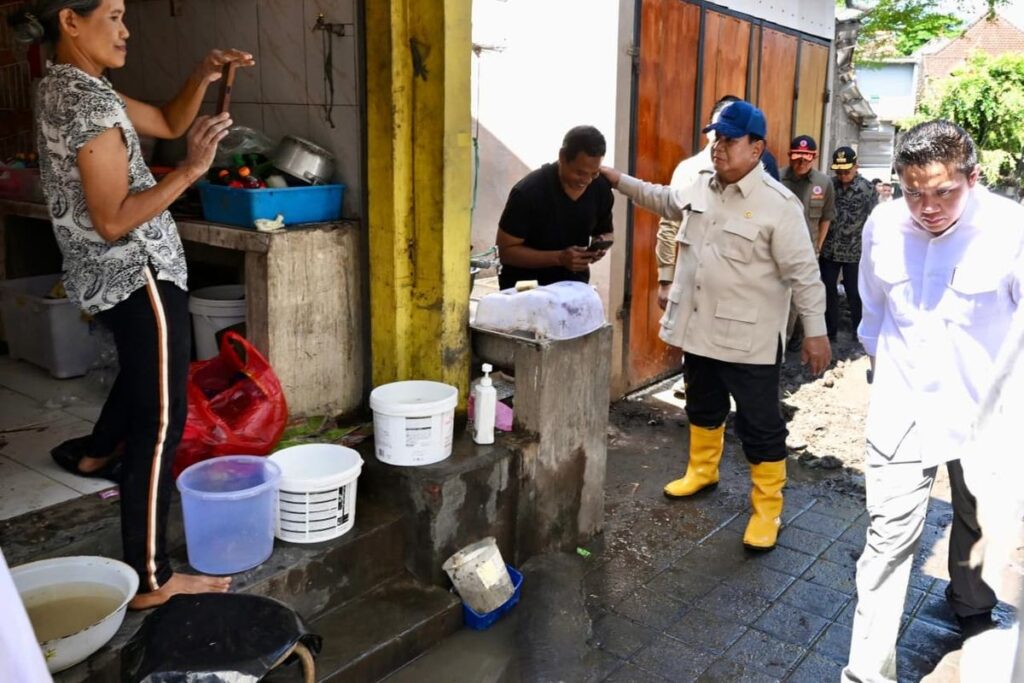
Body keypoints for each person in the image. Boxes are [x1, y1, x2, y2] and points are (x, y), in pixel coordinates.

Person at [9, 0, 253, 608]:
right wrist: (192, 169)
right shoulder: (88, 102)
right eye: (113, 16)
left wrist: (201, 75)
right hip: (136, 272)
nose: (125, 30)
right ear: (71, 21)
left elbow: (167, 121)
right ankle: (150, 579)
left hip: (109, 273)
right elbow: (115, 219)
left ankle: (94, 455)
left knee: (148, 375)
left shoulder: (68, 85)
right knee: (160, 420)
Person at [601, 100, 830, 550]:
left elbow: (805, 274)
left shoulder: (778, 205)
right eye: (717, 138)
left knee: (760, 426)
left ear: (756, 148)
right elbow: (663, 200)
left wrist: (817, 333)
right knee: (703, 406)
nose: (718, 147)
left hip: (749, 341)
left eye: (729, 140)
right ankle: (702, 471)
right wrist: (616, 179)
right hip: (699, 330)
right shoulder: (701, 185)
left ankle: (767, 509)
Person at [842, 120, 1024, 682]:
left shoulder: (1010, 230)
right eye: (912, 192)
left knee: (978, 518)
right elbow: (872, 312)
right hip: (903, 409)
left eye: (943, 192)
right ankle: (866, 673)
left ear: (973, 177)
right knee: (887, 541)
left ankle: (971, 602)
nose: (927, 208)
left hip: (984, 415)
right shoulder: (883, 224)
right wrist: (881, 372)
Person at [656, 95, 777, 398]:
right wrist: (665, 278)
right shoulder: (689, 171)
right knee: (700, 367)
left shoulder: (761, 167)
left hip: (739, 291)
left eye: (731, 134)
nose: (721, 140)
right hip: (697, 284)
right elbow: (668, 224)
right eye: (719, 130)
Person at [496, 126, 614, 290]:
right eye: (580, 173)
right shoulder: (528, 192)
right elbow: (505, 252)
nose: (586, 180)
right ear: (562, 157)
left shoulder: (600, 188)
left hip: (573, 287)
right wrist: (559, 258)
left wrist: (599, 245)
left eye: (594, 173)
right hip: (526, 290)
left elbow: (606, 232)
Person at [781, 135, 835, 348]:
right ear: (790, 156)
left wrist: (818, 247)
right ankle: (779, 342)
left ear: (814, 157)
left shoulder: (823, 183)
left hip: (807, 251)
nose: (801, 162)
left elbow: (826, 218)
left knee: (798, 297)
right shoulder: (776, 178)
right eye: (797, 157)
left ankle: (787, 341)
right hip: (778, 247)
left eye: (807, 158)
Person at [819, 146, 876, 341]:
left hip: (854, 251)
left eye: (847, 172)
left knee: (855, 292)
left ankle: (858, 331)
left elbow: (873, 219)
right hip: (829, 249)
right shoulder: (828, 185)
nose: (843, 176)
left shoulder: (867, 189)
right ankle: (830, 331)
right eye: (839, 172)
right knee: (828, 291)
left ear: (856, 167)